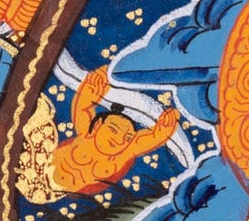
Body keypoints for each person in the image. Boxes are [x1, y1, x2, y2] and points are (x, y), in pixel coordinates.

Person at [15, 65, 179, 204]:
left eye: (127, 138)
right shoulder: (86, 134)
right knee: (42, 122)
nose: (119, 140)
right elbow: (84, 104)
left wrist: (165, 127)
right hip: (36, 169)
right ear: (98, 126)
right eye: (113, 129)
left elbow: (150, 139)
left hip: (49, 194)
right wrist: (100, 78)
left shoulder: (120, 157)